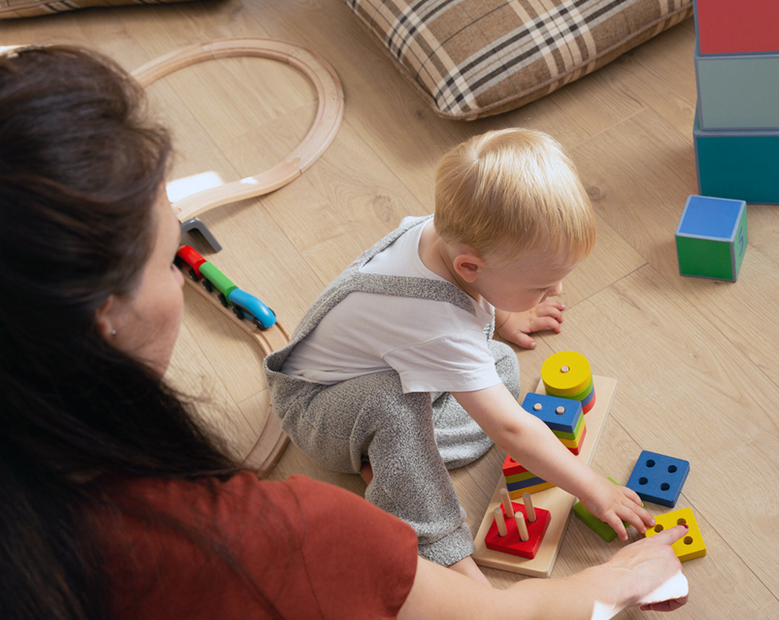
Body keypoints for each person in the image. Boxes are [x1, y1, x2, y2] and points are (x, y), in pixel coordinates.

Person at [0, 45, 689, 620]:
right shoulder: (268, 543)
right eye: (168, 256)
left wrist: (495, 319)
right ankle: (435, 531)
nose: (181, 273)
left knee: (486, 381)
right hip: (329, 409)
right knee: (420, 416)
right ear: (105, 318)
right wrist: (623, 574)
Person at [266, 129, 654, 585]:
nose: (557, 291)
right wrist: (591, 488)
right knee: (410, 407)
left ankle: (394, 466)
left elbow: (477, 298)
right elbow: (511, 431)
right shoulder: (438, 325)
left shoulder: (441, 234)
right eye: (541, 284)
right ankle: (436, 543)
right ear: (471, 267)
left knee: (502, 363)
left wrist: (506, 319)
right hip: (319, 411)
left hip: (383, 378)